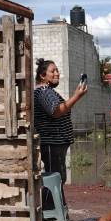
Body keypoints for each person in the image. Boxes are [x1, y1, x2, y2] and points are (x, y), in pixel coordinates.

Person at [33, 58, 87, 190]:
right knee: (55, 179)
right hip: (52, 144)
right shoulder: (43, 91)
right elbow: (56, 111)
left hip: (56, 144)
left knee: (58, 178)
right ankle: (52, 207)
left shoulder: (47, 91)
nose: (57, 73)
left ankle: (57, 206)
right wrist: (76, 96)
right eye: (53, 71)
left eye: (57, 70)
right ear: (42, 75)